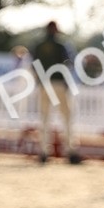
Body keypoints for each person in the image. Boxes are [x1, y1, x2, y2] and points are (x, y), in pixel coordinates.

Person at [31, 21, 82, 164]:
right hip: (59, 83)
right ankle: (71, 151)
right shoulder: (62, 45)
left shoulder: (39, 46)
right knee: (67, 118)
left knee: (44, 118)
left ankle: (43, 152)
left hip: (44, 85)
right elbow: (69, 63)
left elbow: (34, 65)